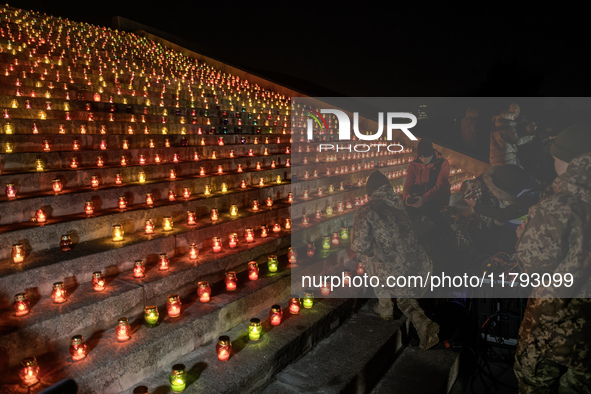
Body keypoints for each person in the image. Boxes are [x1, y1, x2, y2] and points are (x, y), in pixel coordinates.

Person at [513, 124, 591, 393]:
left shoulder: (562, 204)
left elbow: (533, 265)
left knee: (535, 383)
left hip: (556, 327)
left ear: (567, 160)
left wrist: (524, 237)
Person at [351, 170, 440, 350]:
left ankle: (384, 305)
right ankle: (423, 323)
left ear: (370, 192)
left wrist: (372, 250)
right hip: (422, 269)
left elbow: (360, 246)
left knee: (368, 256)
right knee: (404, 296)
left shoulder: (368, 209)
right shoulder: (400, 207)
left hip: (394, 273)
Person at [463, 164, 541, 253]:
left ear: (507, 192)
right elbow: (495, 176)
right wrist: (479, 181)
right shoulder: (517, 175)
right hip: (505, 224)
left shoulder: (528, 200)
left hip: (516, 230)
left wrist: (475, 205)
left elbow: (502, 215)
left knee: (501, 248)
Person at [402, 138, 451, 220]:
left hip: (438, 196)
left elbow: (440, 187)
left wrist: (424, 199)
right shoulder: (414, 165)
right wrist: (407, 196)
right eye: (421, 157)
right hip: (421, 194)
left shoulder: (443, 163)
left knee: (429, 210)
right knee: (406, 209)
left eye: (427, 157)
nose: (424, 160)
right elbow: (408, 184)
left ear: (431, 153)